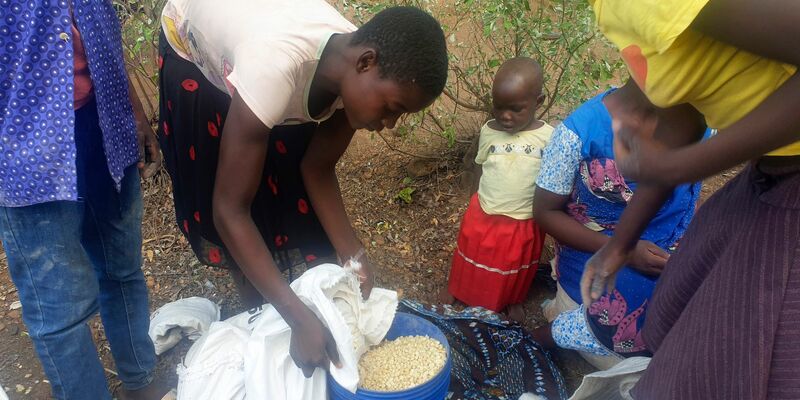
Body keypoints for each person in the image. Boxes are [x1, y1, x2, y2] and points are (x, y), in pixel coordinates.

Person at [157, 1, 448, 378]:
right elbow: (229, 210)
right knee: (238, 187)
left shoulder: (352, 70)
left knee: (283, 180)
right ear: (365, 63)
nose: (390, 123)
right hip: (195, 51)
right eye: (392, 107)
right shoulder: (275, 67)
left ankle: (280, 304)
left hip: (261, 52)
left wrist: (353, 253)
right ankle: (259, 312)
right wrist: (296, 318)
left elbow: (317, 166)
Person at [577, 0, 800, 397]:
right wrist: (620, 243)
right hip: (768, 174)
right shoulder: (610, 7)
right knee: (682, 320)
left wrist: (677, 167)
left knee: (727, 365)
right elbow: (686, 109)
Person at [0, 1, 165, 399]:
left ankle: (141, 383)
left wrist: (135, 112)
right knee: (60, 312)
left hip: (104, 123)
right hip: (27, 149)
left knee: (122, 270)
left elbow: (100, 30)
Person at [530, 81, 706, 369]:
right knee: (660, 355)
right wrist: (624, 250)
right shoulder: (579, 134)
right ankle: (562, 329)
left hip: (666, 257)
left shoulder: (698, 121)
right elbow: (545, 211)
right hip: (599, 261)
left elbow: (687, 200)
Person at [439, 58, 552, 322]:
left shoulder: (548, 137)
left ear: (538, 102)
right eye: (499, 108)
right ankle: (457, 289)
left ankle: (511, 299)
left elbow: (551, 180)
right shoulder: (489, 131)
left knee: (513, 265)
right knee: (470, 253)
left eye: (516, 109)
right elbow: (480, 166)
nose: (505, 116)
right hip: (485, 210)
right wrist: (475, 201)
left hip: (522, 218)